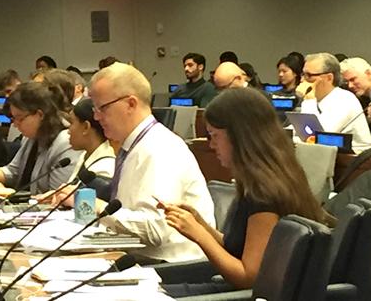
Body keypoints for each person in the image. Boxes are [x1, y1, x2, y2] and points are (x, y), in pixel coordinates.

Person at [160, 89, 333, 296]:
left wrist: (199, 236)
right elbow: (238, 247)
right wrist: (200, 225)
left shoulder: (264, 193)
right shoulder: (269, 178)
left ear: (240, 136)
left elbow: (248, 277)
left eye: (215, 135)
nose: (212, 144)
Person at [89, 62, 214, 263]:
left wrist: (97, 208)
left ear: (130, 103)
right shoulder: (136, 145)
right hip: (140, 259)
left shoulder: (160, 148)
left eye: (101, 108)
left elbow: (156, 230)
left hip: (172, 268)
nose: (96, 116)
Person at [0, 81, 80, 196]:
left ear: (40, 115)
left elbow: (56, 198)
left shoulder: (66, 143)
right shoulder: (32, 136)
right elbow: (13, 172)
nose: (15, 124)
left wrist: (7, 193)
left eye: (20, 118)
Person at [42, 97, 116, 206]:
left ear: (86, 127)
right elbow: (70, 195)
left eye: (72, 123)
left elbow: (87, 210)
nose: (68, 131)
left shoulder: (104, 168)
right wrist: (56, 195)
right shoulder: (85, 156)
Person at [299, 53, 371, 152]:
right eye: (303, 74)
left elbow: (316, 137)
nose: (302, 80)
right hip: (329, 157)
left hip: (356, 161)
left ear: (329, 78)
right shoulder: (314, 100)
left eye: (309, 75)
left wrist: (309, 101)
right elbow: (300, 132)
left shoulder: (345, 100)